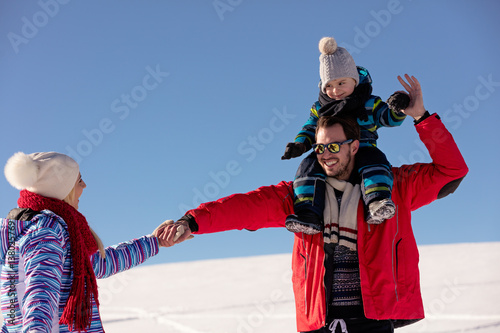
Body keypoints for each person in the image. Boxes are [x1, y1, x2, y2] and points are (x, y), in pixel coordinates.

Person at [158, 75, 469, 332]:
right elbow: (246, 207)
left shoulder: (394, 187)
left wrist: (422, 119)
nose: (325, 154)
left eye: (334, 145)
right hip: (319, 322)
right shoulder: (302, 195)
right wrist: (192, 222)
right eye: (320, 148)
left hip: (373, 321)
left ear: (355, 145)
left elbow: (452, 171)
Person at [1, 152, 170, 333]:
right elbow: (40, 294)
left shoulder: (42, 229)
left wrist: (155, 242)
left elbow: (100, 263)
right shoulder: (46, 231)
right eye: (79, 180)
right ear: (62, 188)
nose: (85, 185)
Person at [281, 37, 409, 235]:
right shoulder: (321, 108)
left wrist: (398, 107)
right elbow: (309, 128)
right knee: (308, 167)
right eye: (329, 85)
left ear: (354, 81)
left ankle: (376, 201)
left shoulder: (368, 103)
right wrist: (299, 145)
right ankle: (308, 214)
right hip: (328, 154)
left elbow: (388, 118)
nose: (335, 90)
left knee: (375, 161)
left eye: (341, 83)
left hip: (364, 147)